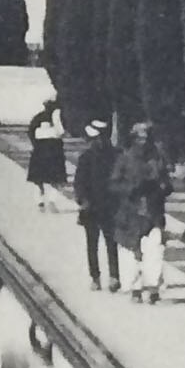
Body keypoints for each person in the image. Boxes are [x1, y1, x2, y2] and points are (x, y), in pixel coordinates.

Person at [112, 123, 168, 303]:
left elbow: (167, 183)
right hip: (131, 213)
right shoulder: (124, 159)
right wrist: (131, 188)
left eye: (146, 138)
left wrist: (162, 186)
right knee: (131, 252)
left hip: (153, 212)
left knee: (155, 250)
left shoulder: (158, 158)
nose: (143, 142)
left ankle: (153, 288)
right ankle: (135, 288)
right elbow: (113, 185)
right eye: (139, 138)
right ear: (133, 138)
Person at [71, 120, 124, 292]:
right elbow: (79, 182)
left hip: (110, 205)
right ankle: (96, 277)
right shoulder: (86, 158)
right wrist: (83, 200)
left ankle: (114, 276)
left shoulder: (117, 155)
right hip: (92, 207)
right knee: (93, 243)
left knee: (111, 242)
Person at [26, 99, 70, 211]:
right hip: (54, 150)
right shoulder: (59, 117)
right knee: (58, 179)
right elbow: (62, 132)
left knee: (38, 179)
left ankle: (40, 201)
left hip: (39, 150)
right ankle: (52, 200)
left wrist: (36, 144)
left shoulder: (37, 118)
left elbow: (31, 132)